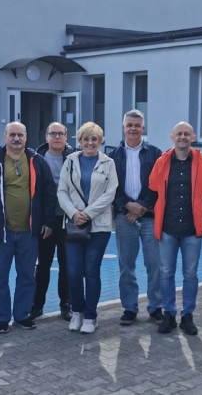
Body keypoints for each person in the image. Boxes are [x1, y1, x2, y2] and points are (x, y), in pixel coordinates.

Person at [0, 122, 56, 333]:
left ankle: (22, 315)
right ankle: (2, 318)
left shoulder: (37, 161)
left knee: (27, 277)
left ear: (26, 137)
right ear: (5, 137)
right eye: (12, 135)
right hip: (1, 232)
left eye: (20, 135)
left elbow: (49, 193)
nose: (16, 139)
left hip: (29, 232)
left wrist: (47, 221)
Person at [150, 122, 202, 336]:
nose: (182, 137)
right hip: (167, 228)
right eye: (179, 134)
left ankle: (187, 315)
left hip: (192, 229)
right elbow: (153, 191)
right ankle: (169, 314)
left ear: (193, 137)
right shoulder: (162, 162)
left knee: (190, 274)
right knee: (166, 273)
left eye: (186, 134)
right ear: (172, 137)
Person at [57, 122, 118, 334]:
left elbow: (110, 193)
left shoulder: (108, 163)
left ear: (100, 141)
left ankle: (91, 316)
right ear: (80, 140)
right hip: (74, 224)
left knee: (91, 271)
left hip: (99, 226)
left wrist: (88, 213)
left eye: (94, 139)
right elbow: (62, 191)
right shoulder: (70, 161)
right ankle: (77, 311)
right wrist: (74, 213)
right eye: (86, 138)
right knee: (73, 272)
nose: (90, 143)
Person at [108, 110, 164, 326]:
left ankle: (155, 307)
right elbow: (110, 186)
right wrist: (126, 205)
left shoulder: (155, 153)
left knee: (154, 264)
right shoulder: (113, 156)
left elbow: (159, 184)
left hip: (149, 216)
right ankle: (130, 308)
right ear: (124, 127)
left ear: (143, 128)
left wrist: (141, 206)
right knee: (126, 265)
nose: (133, 128)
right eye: (129, 125)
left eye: (137, 125)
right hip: (124, 218)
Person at [31, 122, 75, 321]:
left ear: (66, 136)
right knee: (43, 265)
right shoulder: (36, 159)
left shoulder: (75, 158)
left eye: (60, 134)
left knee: (67, 265)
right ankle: (37, 304)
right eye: (53, 133)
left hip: (68, 220)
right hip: (45, 222)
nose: (57, 137)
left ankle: (66, 303)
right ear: (46, 136)